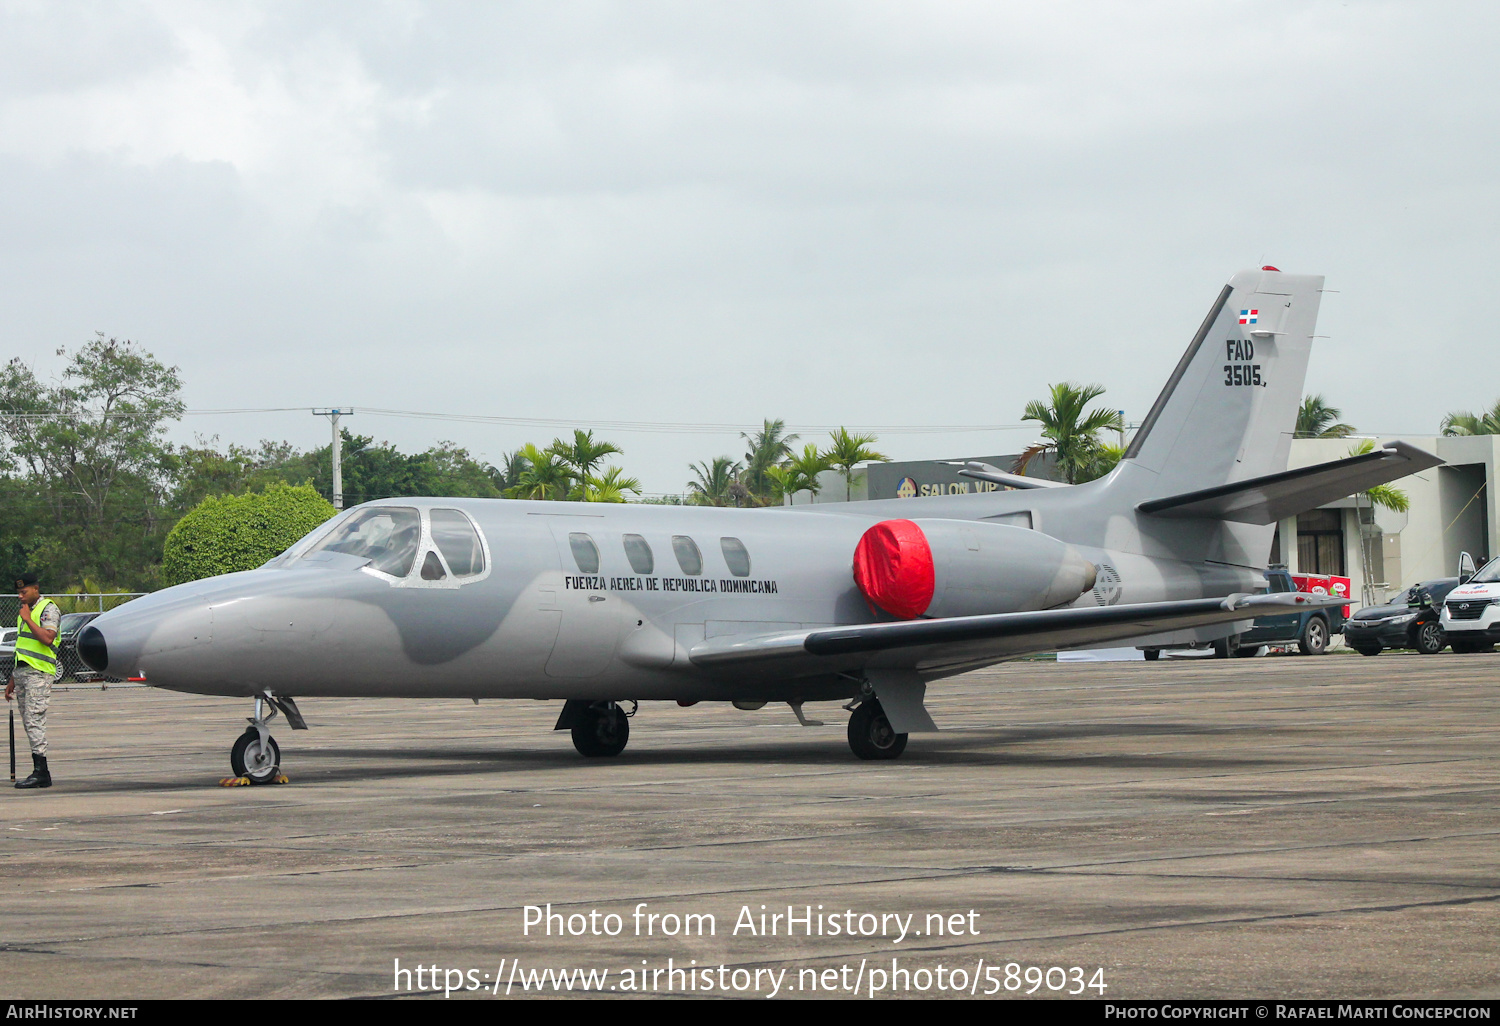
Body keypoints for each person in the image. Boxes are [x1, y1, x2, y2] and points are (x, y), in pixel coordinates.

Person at [6, 572, 59, 789]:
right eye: (18, 592)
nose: (20, 596)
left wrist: (28, 618)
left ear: (35, 589)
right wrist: (12, 679)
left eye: (23, 591)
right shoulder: (24, 613)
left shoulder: (47, 609)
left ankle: (42, 772)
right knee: (29, 722)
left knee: (34, 719)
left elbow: (47, 638)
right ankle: (38, 769)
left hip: (39, 672)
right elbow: (23, 647)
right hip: (23, 673)